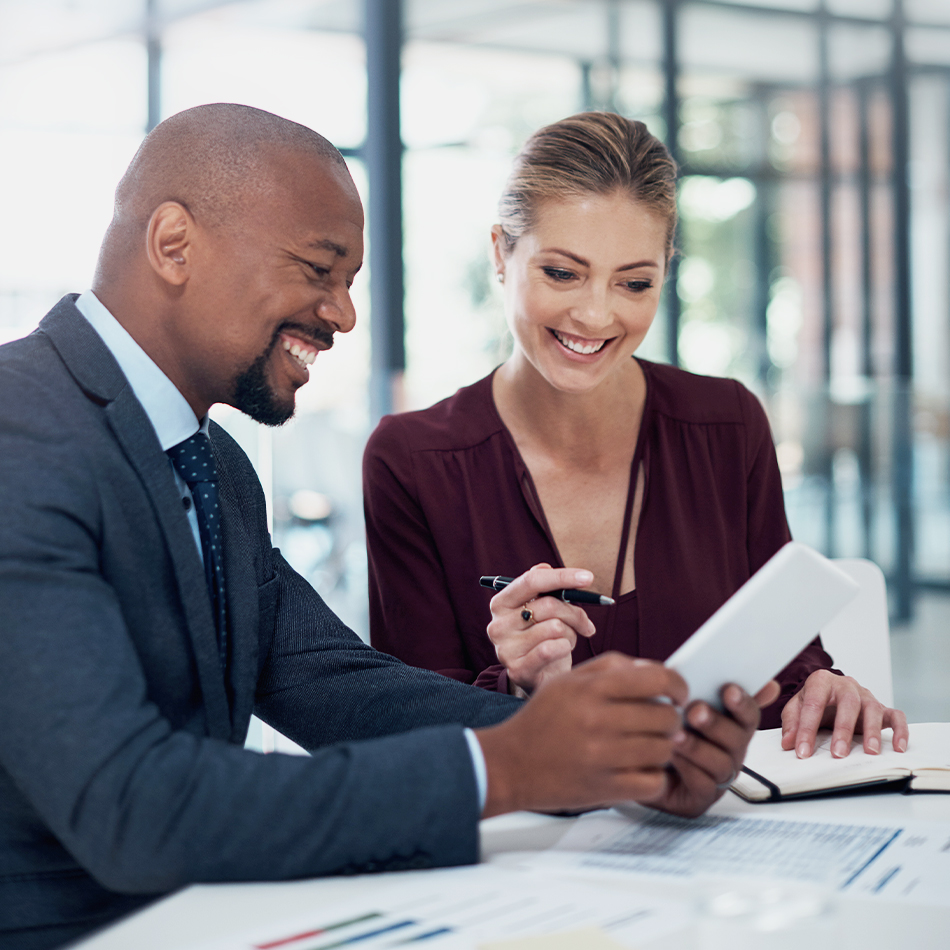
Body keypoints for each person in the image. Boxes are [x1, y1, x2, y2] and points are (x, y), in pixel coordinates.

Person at [0, 104, 713, 950]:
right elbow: (131, 806)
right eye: (318, 269)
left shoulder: (213, 463)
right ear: (174, 244)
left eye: (350, 283)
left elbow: (335, 684)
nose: (341, 316)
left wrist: (603, 749)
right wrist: (509, 768)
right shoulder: (20, 432)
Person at [363, 112, 908, 770]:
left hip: (721, 839)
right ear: (501, 254)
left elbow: (783, 663)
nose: (596, 314)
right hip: (526, 856)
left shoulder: (727, 425)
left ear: (665, 272)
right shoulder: (413, 462)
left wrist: (823, 688)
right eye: (563, 273)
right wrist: (516, 688)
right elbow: (408, 733)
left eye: (634, 282)